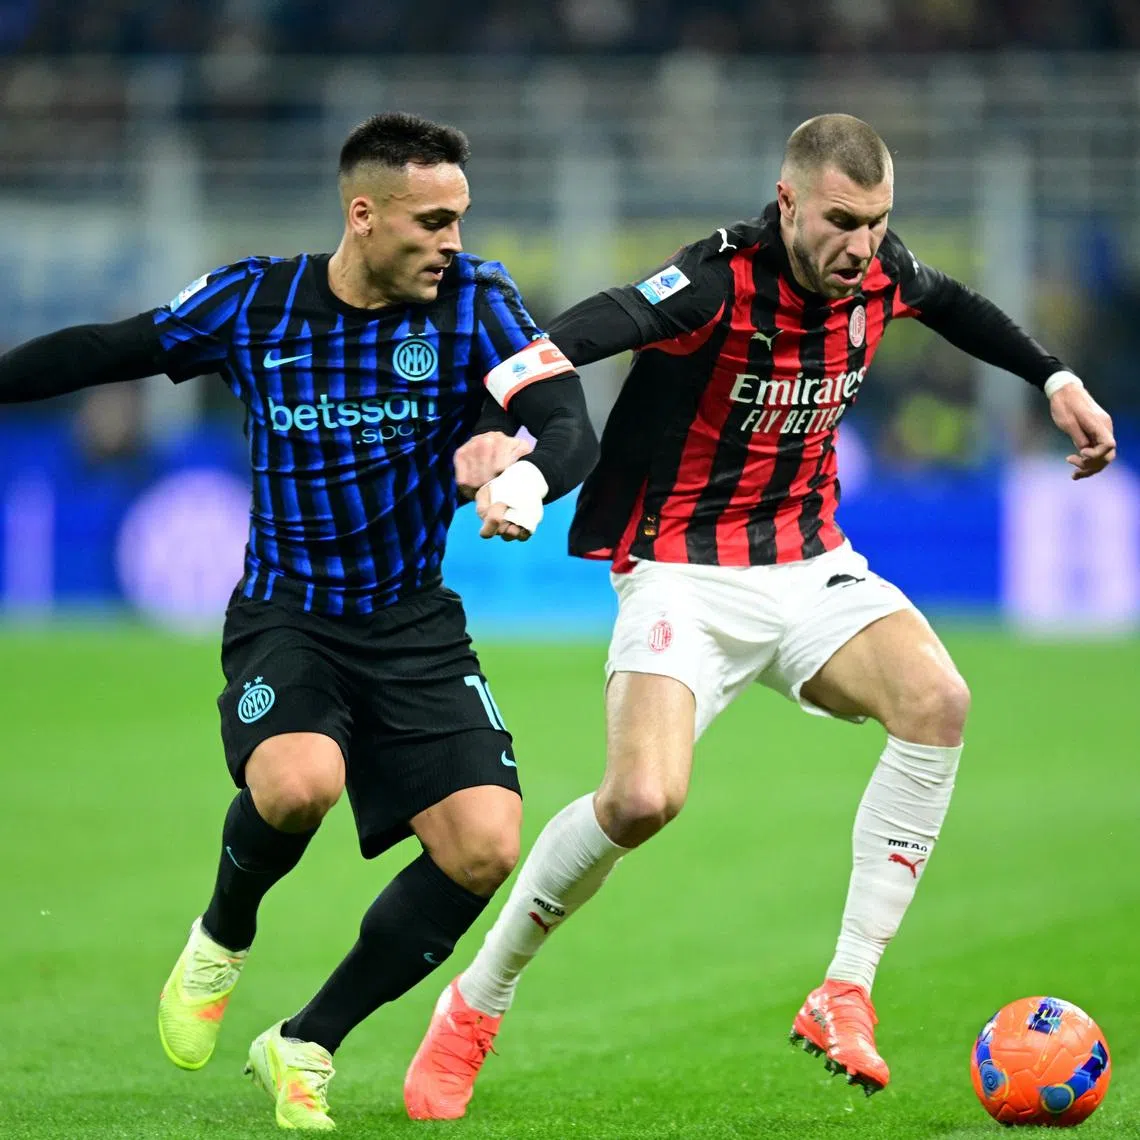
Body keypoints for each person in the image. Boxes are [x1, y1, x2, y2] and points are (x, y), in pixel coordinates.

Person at [402, 113, 1117, 1119]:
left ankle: (845, 989)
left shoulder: (880, 271)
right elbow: (589, 328)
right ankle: (477, 1002)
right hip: (680, 573)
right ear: (787, 204)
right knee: (641, 802)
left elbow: (954, 304)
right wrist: (497, 427)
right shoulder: (714, 281)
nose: (861, 245)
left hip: (810, 563)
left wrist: (1056, 377)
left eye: (876, 222)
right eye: (840, 221)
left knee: (938, 699)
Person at [0, 112, 597, 1131]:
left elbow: (569, 423)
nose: (453, 240)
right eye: (433, 220)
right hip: (289, 612)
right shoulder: (254, 300)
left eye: (462, 218)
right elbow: (113, 346)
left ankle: (305, 1041)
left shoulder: (477, 303)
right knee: (298, 785)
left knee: (486, 848)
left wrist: (525, 478)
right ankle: (223, 935)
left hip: (413, 621)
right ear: (365, 215)